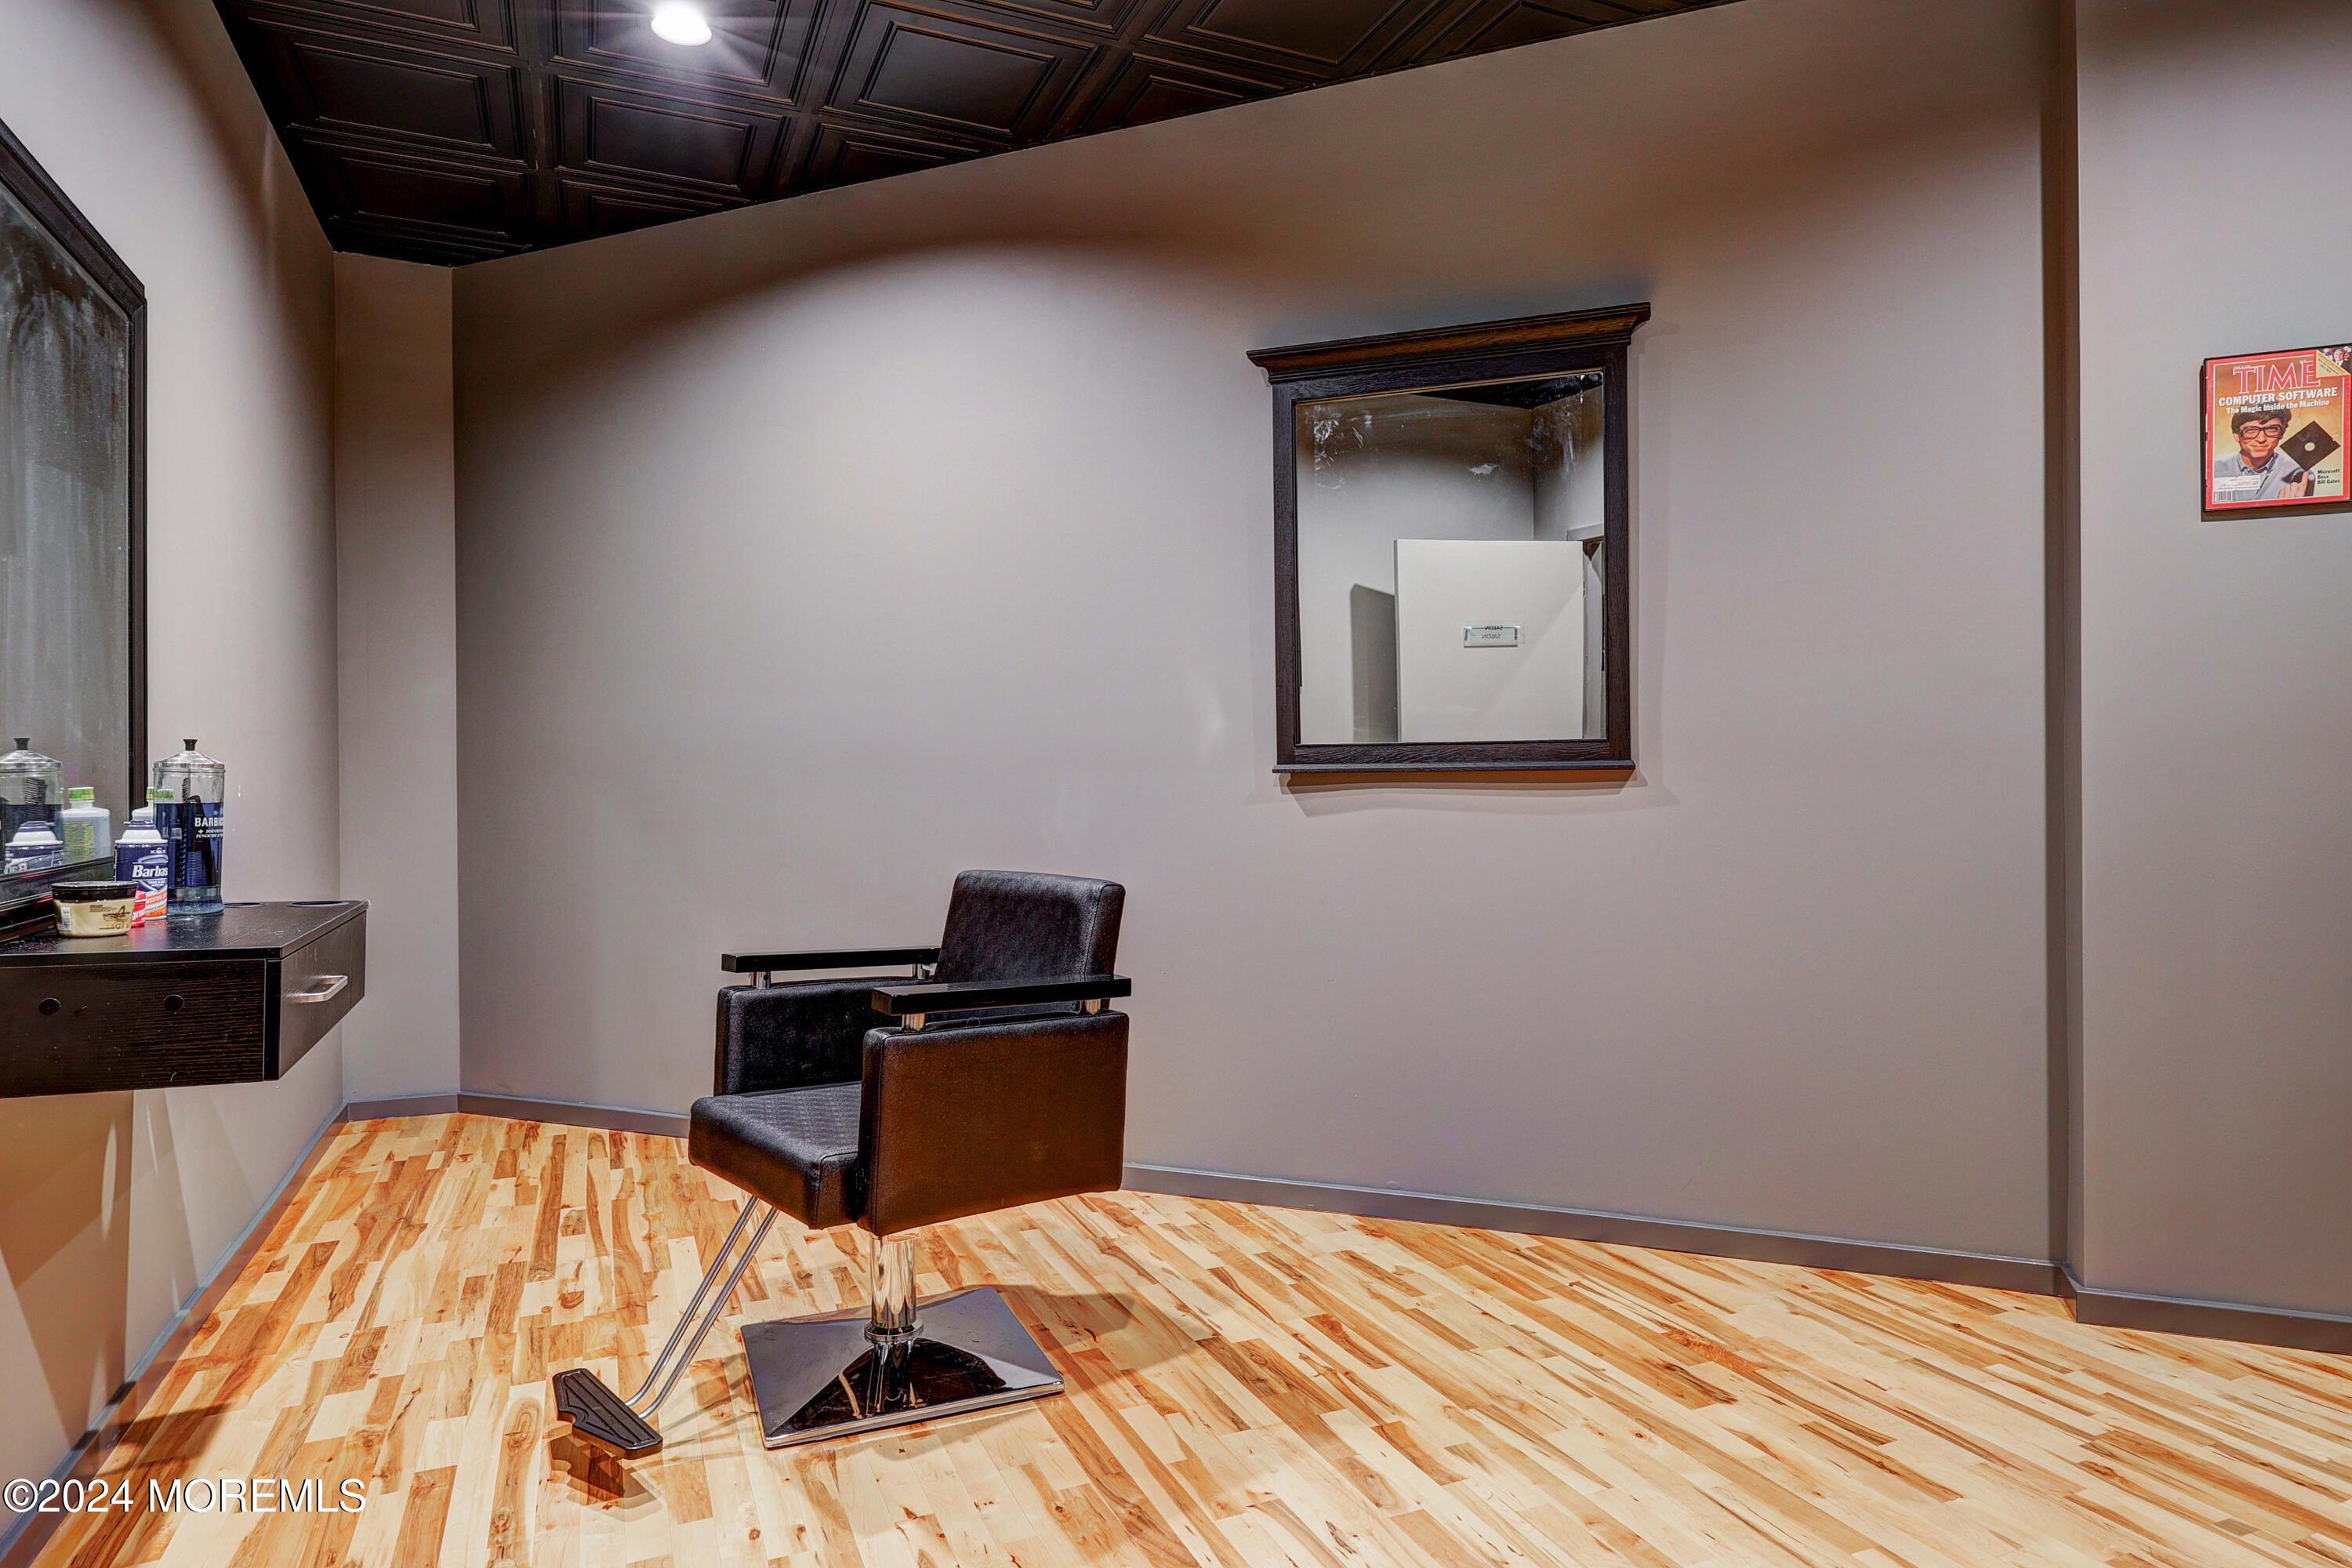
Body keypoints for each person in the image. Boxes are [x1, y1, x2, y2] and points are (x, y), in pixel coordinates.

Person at [2212, 406, 2314, 503]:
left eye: (2272, 429)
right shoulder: (2213, 470)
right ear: (2236, 436)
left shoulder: (2300, 475)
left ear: (2281, 434)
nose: (2261, 439)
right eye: (2251, 430)